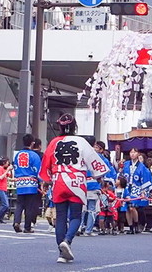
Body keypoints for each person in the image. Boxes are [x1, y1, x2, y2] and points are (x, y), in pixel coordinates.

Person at [39, 113, 109, 264]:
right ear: (75, 127)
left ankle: (61, 253)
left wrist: (46, 181)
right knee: (76, 216)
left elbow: (46, 165)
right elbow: (95, 164)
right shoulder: (81, 142)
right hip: (76, 181)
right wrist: (100, 178)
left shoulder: (53, 143)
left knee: (61, 218)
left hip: (58, 181)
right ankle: (67, 241)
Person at [12, 134, 42, 233]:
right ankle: (27, 227)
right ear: (32, 143)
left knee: (20, 204)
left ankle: (16, 221)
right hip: (31, 182)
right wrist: (41, 182)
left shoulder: (18, 155)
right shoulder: (34, 155)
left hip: (20, 182)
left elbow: (14, 167)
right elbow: (38, 170)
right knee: (30, 206)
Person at [122, 148, 152, 233]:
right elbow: (121, 176)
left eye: (134, 152)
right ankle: (131, 227)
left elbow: (145, 179)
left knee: (133, 207)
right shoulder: (126, 164)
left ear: (138, 154)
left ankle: (136, 224)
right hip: (127, 188)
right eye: (131, 152)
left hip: (137, 189)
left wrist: (144, 191)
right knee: (128, 208)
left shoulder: (142, 167)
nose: (132, 154)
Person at [0, 157, 12, 223]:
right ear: (4, 163)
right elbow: (0, 177)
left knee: (5, 204)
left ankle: (0, 217)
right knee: (5, 204)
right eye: (7, 162)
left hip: (3, 188)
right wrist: (7, 170)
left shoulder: (4, 169)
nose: (8, 164)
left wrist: (9, 170)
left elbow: (9, 176)